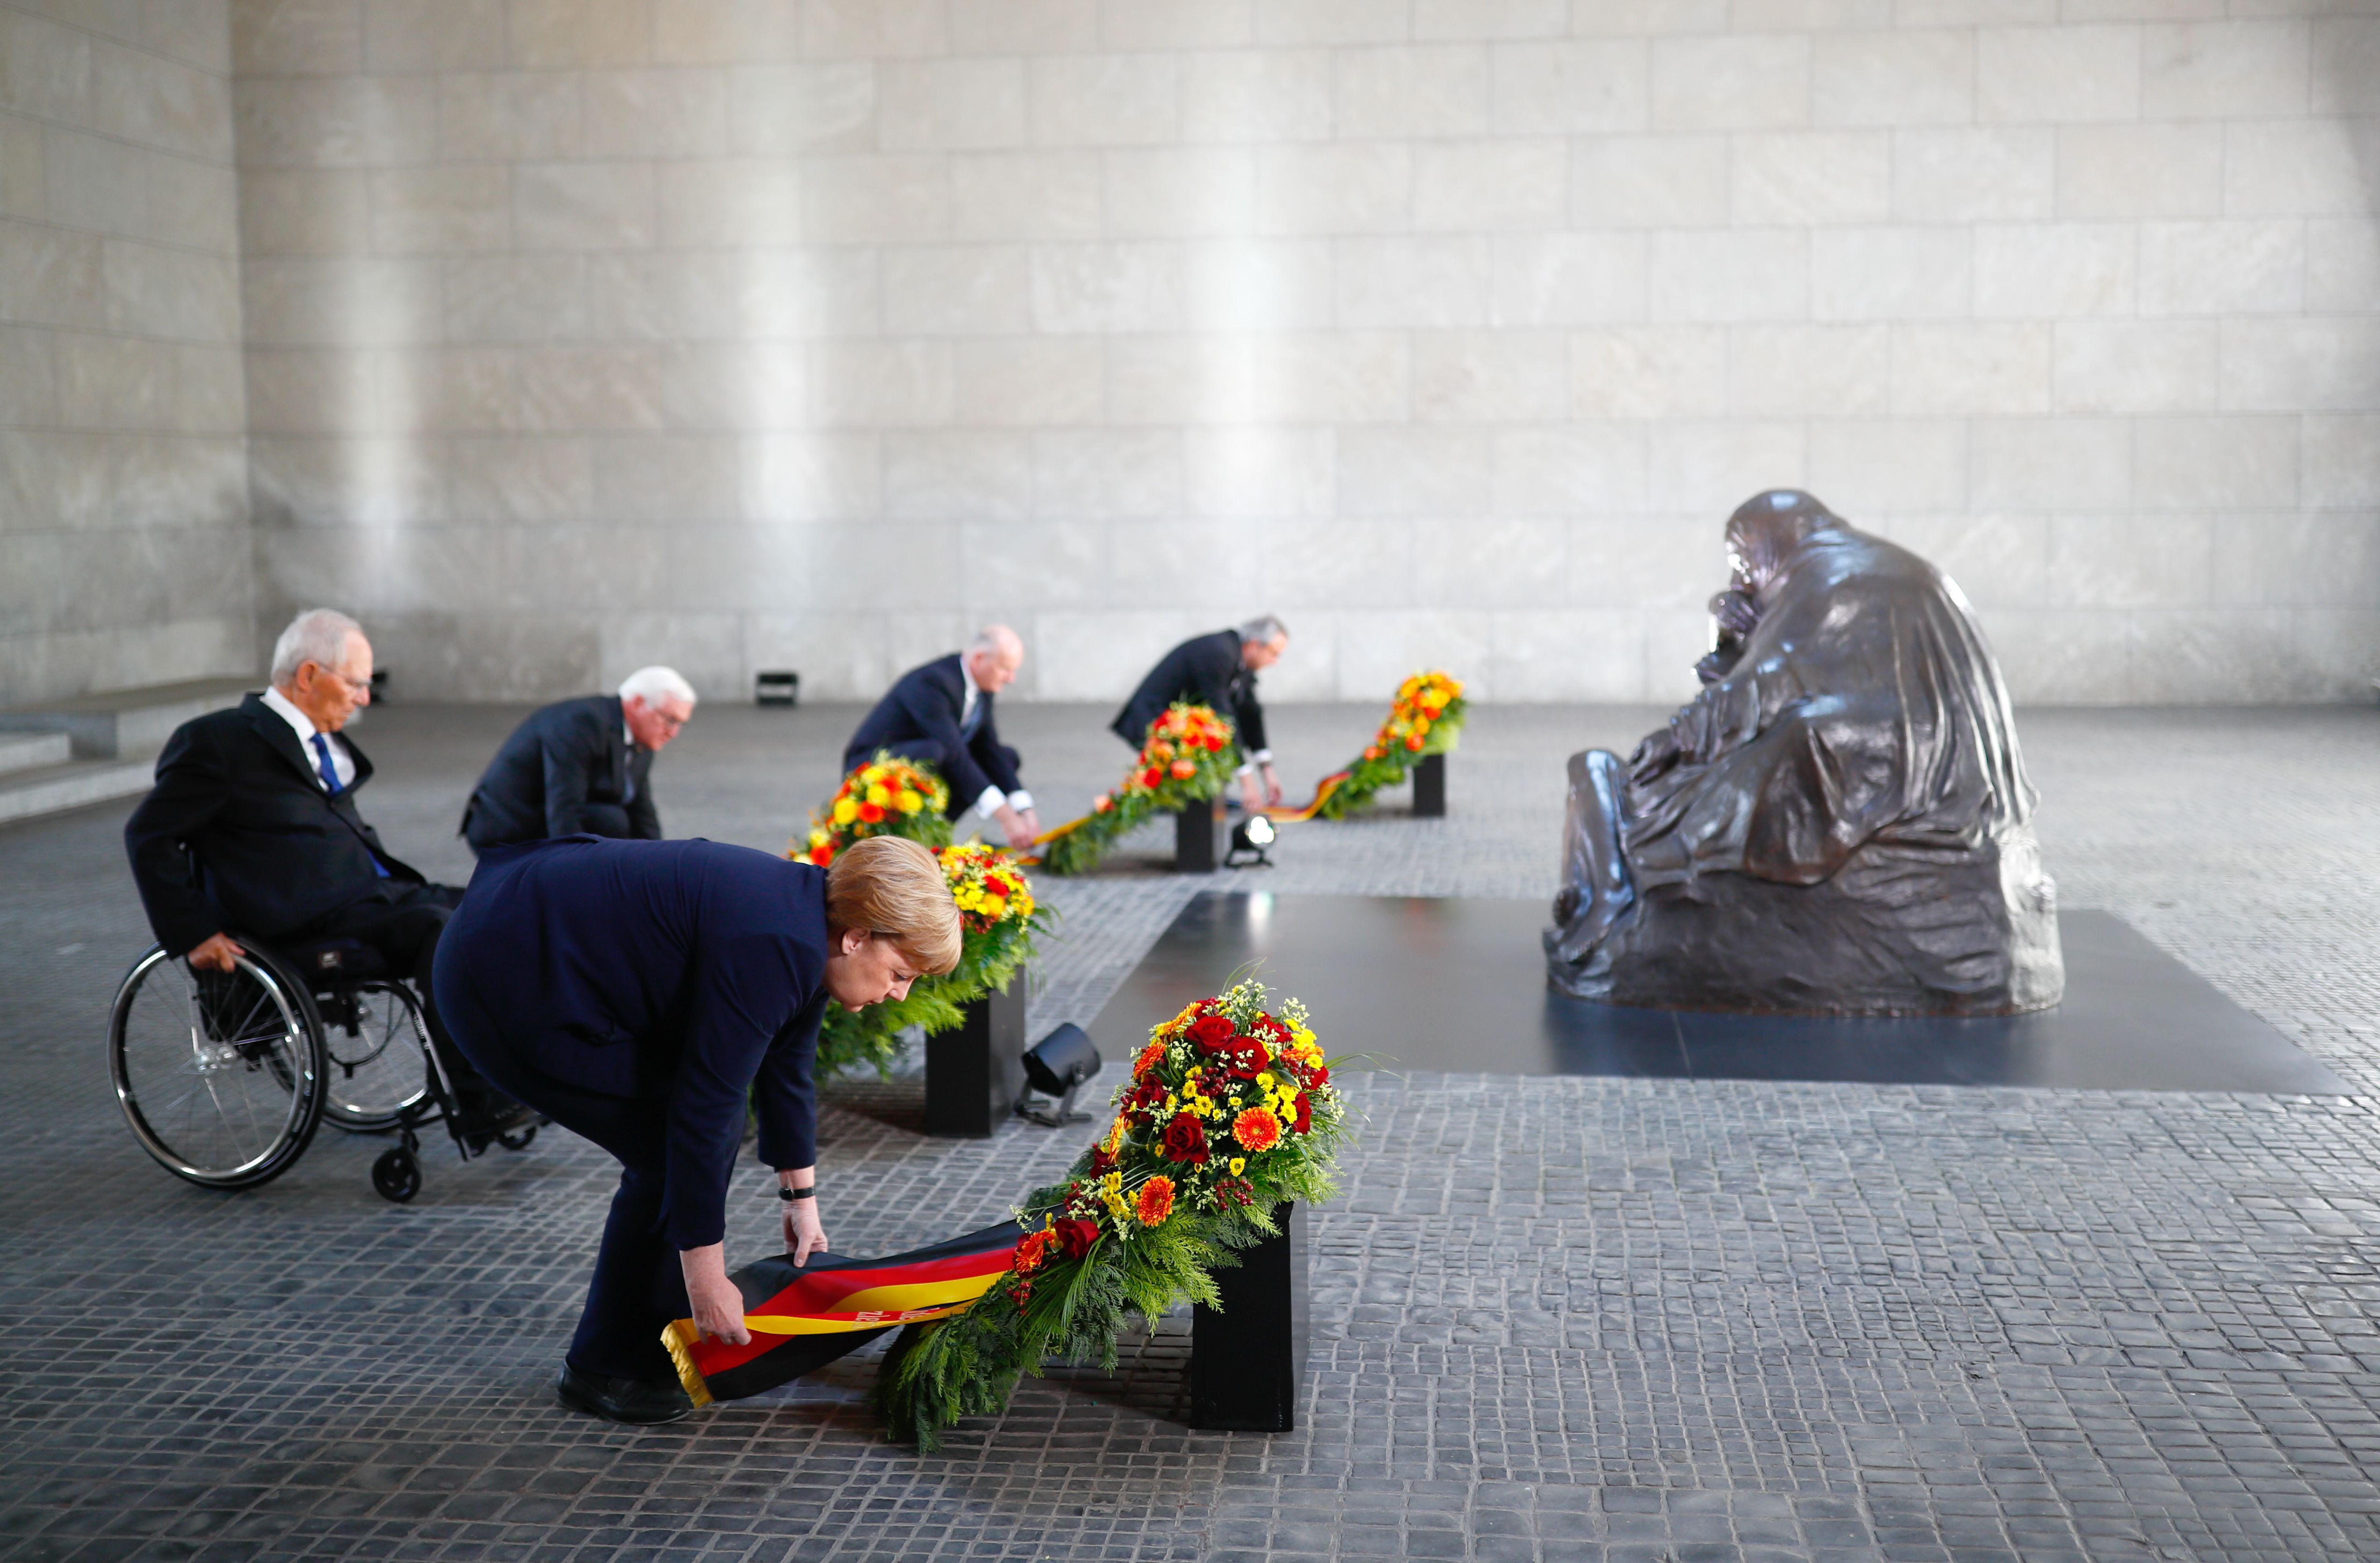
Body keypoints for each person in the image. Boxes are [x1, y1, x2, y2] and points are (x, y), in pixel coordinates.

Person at [431, 833, 962, 1425]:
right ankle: (608, 1369)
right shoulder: (775, 942)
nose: (898, 993)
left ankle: (631, 1347)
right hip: (502, 979)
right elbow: (705, 1105)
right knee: (667, 1143)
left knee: (684, 1142)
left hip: (530, 932)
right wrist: (706, 1281)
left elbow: (787, 1063)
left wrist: (801, 1199)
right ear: (858, 937)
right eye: (899, 973)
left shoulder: (815, 916)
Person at [1544, 490, 2062, 1016]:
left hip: (1878, 761)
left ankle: (1640, 877)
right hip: (1956, 771)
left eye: (1741, 560)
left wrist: (1673, 739)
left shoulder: (1823, 576)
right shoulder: (1894, 567)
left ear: (1769, 539)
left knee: (1706, 781)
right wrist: (1736, 638)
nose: (1742, 577)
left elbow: (1766, 685)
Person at [122, 608, 528, 1136]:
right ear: (309, 675)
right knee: (439, 928)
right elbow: (148, 834)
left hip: (373, 896)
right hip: (306, 923)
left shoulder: (323, 742)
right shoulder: (217, 743)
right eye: (358, 684)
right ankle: (478, 1101)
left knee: (504, 903)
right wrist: (192, 931)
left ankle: (524, 1067)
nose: (364, 698)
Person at [842, 626, 1041, 850]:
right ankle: (902, 845)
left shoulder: (983, 686)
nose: (1011, 679)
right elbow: (954, 751)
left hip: (928, 758)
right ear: (979, 658)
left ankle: (936, 836)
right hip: (870, 766)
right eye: (1005, 669)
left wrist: (1023, 809)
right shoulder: (935, 681)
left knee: (1006, 757)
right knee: (939, 752)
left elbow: (989, 749)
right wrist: (1006, 817)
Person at [460, 667, 697, 854]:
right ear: (637, 704)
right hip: (505, 829)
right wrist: (574, 873)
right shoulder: (584, 722)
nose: (673, 733)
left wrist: (660, 862)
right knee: (609, 822)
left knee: (617, 825)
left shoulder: (643, 735)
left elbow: (641, 808)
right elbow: (564, 805)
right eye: (670, 720)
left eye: (681, 725)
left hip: (546, 814)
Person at [1111, 617, 1288, 815]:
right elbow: (1224, 717)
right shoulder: (1220, 653)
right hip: (1151, 720)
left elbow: (1251, 714)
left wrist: (1267, 771)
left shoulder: (1240, 657)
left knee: (1207, 753)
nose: (1275, 662)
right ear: (1255, 645)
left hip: (1179, 722)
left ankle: (1196, 801)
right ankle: (1182, 803)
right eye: (1274, 654)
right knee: (1206, 748)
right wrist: (1247, 783)